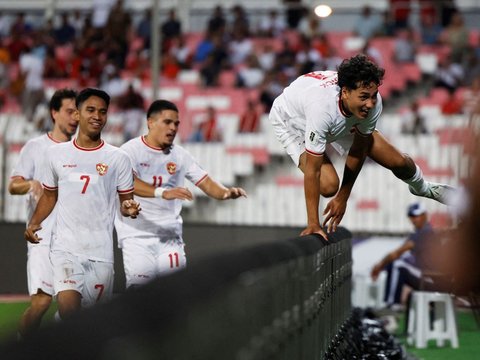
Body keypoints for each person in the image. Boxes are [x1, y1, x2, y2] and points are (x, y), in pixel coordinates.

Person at [269, 54, 454, 240]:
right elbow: (313, 171)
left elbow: (359, 149)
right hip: (292, 122)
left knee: (399, 162)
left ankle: (424, 188)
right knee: (328, 186)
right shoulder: (321, 110)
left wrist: (343, 196)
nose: (370, 103)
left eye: (373, 96)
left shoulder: (371, 103)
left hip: (338, 117)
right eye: (364, 97)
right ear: (345, 92)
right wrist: (313, 225)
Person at [24, 88, 141, 320]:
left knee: (89, 321)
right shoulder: (55, 154)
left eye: (103, 111)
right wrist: (35, 222)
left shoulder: (118, 159)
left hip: (101, 253)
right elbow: (49, 196)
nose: (97, 116)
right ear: (77, 114)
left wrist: (129, 208)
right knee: (70, 312)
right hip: (65, 249)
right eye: (90, 110)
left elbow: (126, 202)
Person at [114, 99, 247, 288]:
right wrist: (163, 193)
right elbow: (127, 182)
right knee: (141, 298)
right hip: (137, 237)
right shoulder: (130, 151)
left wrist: (226, 193)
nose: (173, 128)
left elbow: (206, 182)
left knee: (174, 292)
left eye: (176, 123)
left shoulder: (181, 155)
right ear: (150, 123)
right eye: (167, 122)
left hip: (170, 238)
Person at [8, 89, 78, 338]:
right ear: (54, 112)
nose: (75, 117)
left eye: (77, 112)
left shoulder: (83, 152)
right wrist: (30, 184)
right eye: (70, 111)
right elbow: (13, 185)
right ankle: (21, 347)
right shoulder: (36, 147)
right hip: (42, 238)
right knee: (41, 303)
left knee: (72, 308)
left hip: (72, 241)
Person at [370, 202, 434, 306]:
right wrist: (382, 266)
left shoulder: (426, 232)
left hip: (431, 278)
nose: (413, 220)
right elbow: (397, 254)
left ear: (425, 215)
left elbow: (397, 252)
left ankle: (392, 305)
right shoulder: (419, 232)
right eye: (411, 216)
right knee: (393, 264)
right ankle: (389, 303)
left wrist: (379, 266)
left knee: (398, 264)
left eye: (416, 216)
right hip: (425, 274)